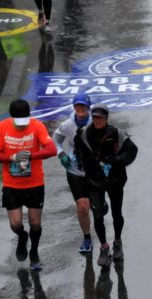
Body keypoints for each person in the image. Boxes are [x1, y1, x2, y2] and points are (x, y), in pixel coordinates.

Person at [0, 99, 57, 271]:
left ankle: (34, 252)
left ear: (29, 117)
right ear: (11, 118)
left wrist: (30, 156)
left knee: (35, 222)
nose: (21, 126)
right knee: (16, 224)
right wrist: (12, 158)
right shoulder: (1, 127)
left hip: (34, 183)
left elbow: (52, 150)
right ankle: (22, 236)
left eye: (24, 122)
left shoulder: (37, 126)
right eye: (18, 123)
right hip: (12, 184)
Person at [74, 103, 138, 269]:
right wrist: (80, 162)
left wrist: (117, 160)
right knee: (97, 216)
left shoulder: (116, 133)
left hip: (115, 180)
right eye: (95, 117)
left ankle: (117, 241)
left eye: (100, 118)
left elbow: (132, 151)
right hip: (95, 182)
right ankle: (104, 246)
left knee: (117, 213)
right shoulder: (84, 134)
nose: (97, 120)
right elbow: (78, 149)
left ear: (106, 118)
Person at [53, 92, 96, 254]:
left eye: (83, 106)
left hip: (94, 170)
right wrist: (61, 153)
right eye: (78, 106)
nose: (80, 109)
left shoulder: (96, 123)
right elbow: (55, 140)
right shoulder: (67, 125)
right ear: (74, 107)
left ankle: (98, 202)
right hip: (74, 170)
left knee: (96, 206)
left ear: (88, 108)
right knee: (82, 206)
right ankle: (87, 237)